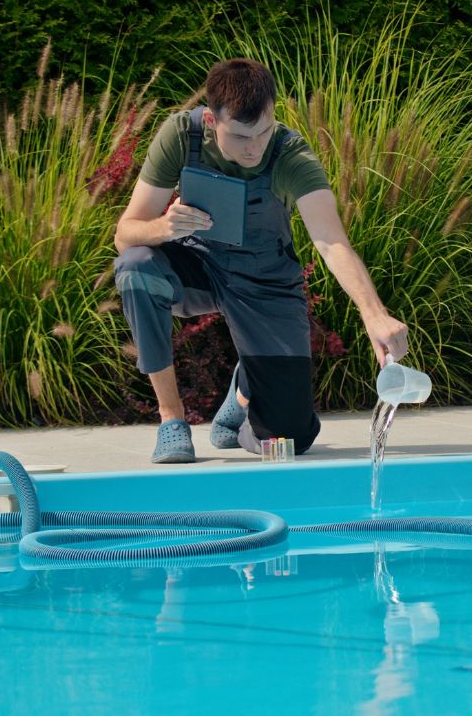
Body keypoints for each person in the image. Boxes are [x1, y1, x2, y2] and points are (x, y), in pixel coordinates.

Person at [113, 58, 408, 463]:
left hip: (265, 280)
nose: (254, 147)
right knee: (136, 267)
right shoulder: (181, 135)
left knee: (290, 439)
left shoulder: (290, 155)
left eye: (264, 132)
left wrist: (373, 314)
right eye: (241, 137)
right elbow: (125, 233)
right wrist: (164, 228)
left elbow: (331, 240)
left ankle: (243, 392)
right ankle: (172, 421)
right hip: (197, 268)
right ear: (211, 120)